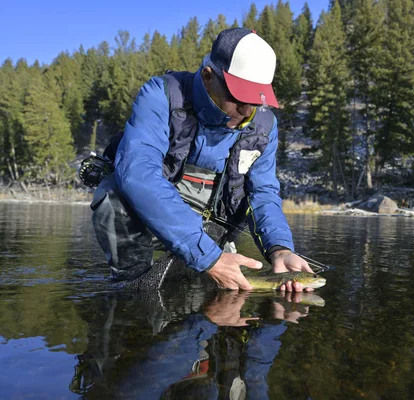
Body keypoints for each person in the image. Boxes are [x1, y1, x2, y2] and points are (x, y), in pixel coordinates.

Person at [89, 27, 312, 291]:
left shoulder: (264, 125)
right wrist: (207, 256)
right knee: (112, 192)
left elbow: (263, 193)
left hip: (215, 230)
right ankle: (132, 286)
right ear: (208, 76)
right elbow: (138, 174)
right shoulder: (160, 95)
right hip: (151, 218)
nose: (247, 111)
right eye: (239, 98)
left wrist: (280, 249)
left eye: (256, 100)